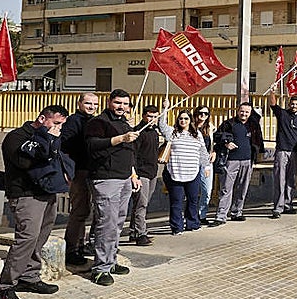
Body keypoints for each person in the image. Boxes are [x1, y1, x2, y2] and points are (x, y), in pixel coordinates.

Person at [0, 104, 71, 299]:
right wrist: (46, 139)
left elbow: (54, 159)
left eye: (61, 125)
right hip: (25, 194)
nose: (58, 128)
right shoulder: (17, 137)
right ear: (42, 118)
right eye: (55, 123)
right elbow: (26, 163)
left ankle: (29, 275)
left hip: (46, 192)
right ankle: (5, 285)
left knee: (40, 236)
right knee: (27, 237)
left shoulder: (51, 137)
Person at [84, 90, 141, 286]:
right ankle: (100, 269)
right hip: (106, 179)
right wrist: (120, 139)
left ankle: (111, 261)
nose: (121, 107)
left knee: (117, 224)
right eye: (117, 103)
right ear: (109, 102)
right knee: (106, 224)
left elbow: (130, 152)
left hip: (124, 178)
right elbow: (92, 145)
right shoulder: (98, 122)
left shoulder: (125, 122)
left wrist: (133, 174)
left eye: (125, 103)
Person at [159, 107, 211, 234]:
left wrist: (206, 166)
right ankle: (177, 227)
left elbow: (203, 151)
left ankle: (192, 223)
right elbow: (161, 125)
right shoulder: (172, 133)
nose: (183, 121)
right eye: (181, 118)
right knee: (176, 202)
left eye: (186, 118)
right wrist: (164, 109)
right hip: (175, 173)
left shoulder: (197, 134)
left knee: (193, 200)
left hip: (193, 172)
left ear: (190, 120)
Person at [61, 92, 99, 266]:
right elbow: (66, 146)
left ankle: (80, 245)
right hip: (79, 172)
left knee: (87, 211)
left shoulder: (94, 121)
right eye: (88, 103)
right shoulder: (74, 122)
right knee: (79, 211)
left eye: (95, 104)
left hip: (92, 170)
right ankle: (71, 249)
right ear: (79, 104)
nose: (91, 107)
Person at [213, 101, 263, 224]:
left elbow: (258, 140)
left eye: (247, 112)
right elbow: (217, 136)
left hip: (247, 161)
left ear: (250, 113)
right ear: (238, 111)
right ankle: (221, 216)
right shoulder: (229, 124)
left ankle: (237, 212)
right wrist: (226, 142)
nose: (244, 114)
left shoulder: (253, 125)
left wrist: (258, 155)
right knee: (226, 188)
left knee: (242, 188)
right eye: (242, 111)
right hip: (231, 161)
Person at [267, 92, 297, 219]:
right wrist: (272, 92)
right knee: (280, 179)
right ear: (288, 104)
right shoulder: (283, 114)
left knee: (291, 179)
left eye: (296, 104)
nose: (294, 106)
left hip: (295, 153)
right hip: (282, 150)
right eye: (292, 103)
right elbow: (273, 104)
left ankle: (288, 205)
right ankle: (277, 208)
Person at [127, 104, 162, 246]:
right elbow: (133, 155)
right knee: (141, 203)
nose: (152, 119)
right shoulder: (138, 132)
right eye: (150, 116)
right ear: (143, 116)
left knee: (142, 203)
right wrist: (135, 174)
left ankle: (134, 231)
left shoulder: (154, 132)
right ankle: (141, 233)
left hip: (152, 172)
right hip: (141, 173)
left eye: (155, 117)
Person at [193, 104, 216, 224]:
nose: (203, 116)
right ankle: (192, 216)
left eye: (206, 114)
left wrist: (214, 152)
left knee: (207, 190)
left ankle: (202, 214)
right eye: (201, 113)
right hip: (192, 161)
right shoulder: (190, 128)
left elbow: (213, 144)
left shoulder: (210, 128)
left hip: (207, 162)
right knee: (193, 191)